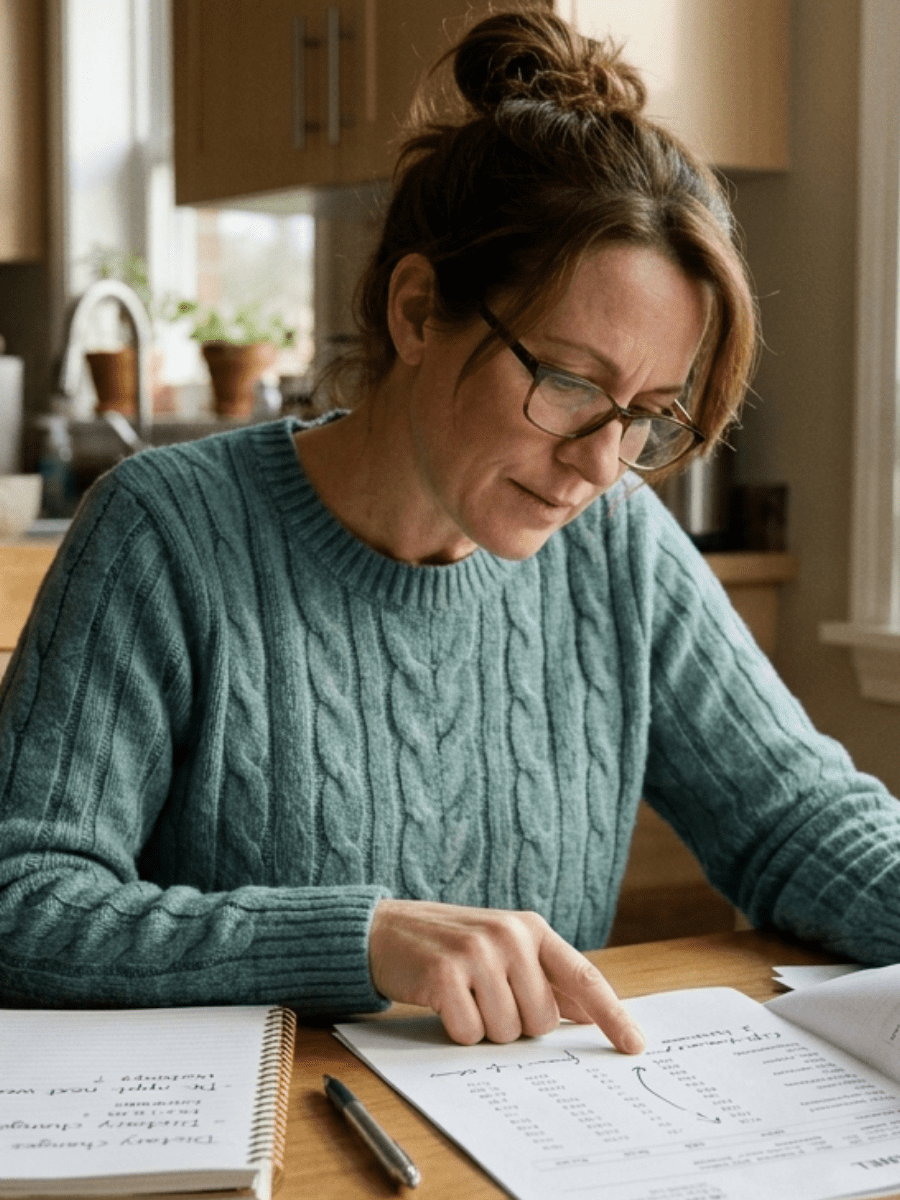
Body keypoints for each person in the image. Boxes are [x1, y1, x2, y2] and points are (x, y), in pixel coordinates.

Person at [2, 10, 900, 1053]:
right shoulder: (165, 532)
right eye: (569, 382)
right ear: (419, 310)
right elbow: (22, 902)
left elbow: (803, 824)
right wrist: (362, 939)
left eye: (649, 410)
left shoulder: (619, 549)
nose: (603, 465)